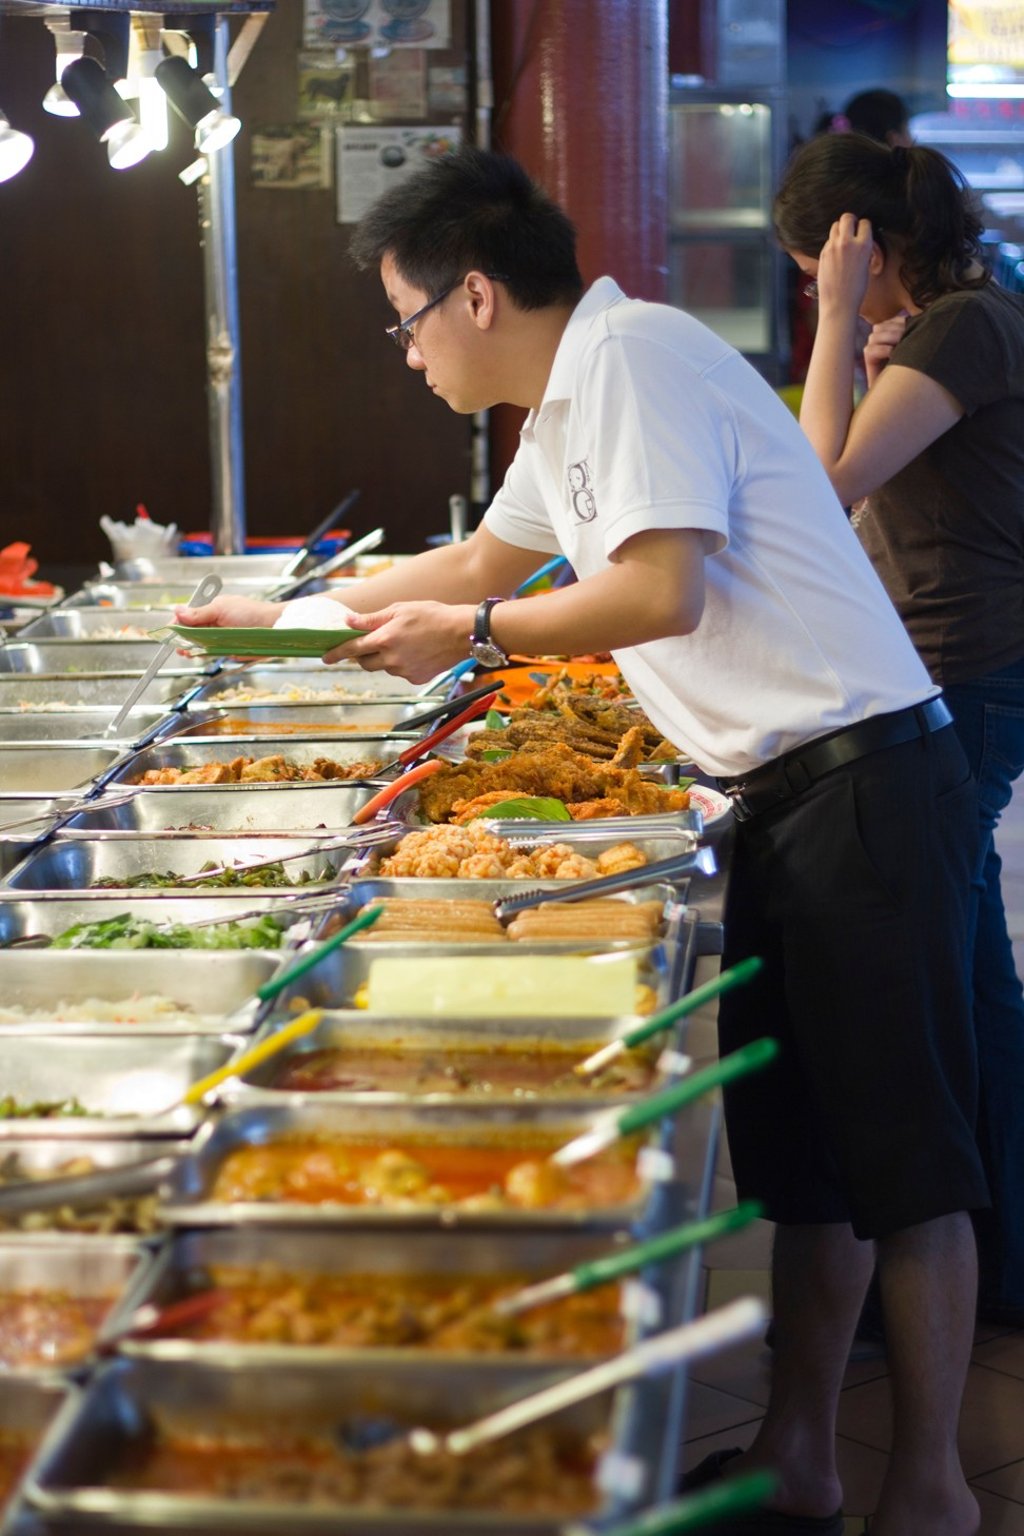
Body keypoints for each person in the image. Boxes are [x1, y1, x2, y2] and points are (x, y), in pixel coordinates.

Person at [176, 146, 986, 1535]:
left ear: (473, 295)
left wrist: (470, 637)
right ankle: (802, 1457)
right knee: (806, 1166)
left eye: (406, 320)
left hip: (868, 784)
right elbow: (478, 568)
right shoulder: (566, 405)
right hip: (782, 798)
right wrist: (276, 619)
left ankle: (935, 1492)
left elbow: (654, 590)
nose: (409, 354)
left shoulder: (632, 361)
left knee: (905, 1169)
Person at [773, 131, 1024, 1332]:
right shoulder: (945, 324)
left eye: (810, 267)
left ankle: (982, 1260)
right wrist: (854, 337)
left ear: (857, 248)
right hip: (948, 661)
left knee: (954, 969)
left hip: (969, 666)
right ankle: (990, 1254)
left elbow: (821, 487)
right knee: (966, 959)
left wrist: (831, 327)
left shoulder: (963, 324)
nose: (808, 293)